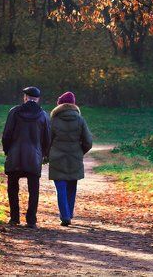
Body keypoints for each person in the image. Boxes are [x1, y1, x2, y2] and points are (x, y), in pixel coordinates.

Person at [1, 86, 50, 228]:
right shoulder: (43, 115)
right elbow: (47, 137)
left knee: (12, 188)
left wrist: (7, 150)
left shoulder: (14, 112)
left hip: (15, 155)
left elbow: (7, 134)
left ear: (25, 97)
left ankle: (14, 218)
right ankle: (31, 220)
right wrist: (44, 154)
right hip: (34, 157)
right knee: (33, 189)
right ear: (38, 99)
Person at [48, 91, 93, 226]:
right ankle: (69, 213)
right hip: (75, 158)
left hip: (57, 159)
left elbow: (47, 140)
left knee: (60, 188)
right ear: (73, 104)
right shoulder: (80, 120)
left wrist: (48, 154)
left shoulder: (54, 120)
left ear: (60, 105)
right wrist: (80, 151)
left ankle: (65, 216)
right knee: (72, 187)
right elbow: (88, 142)